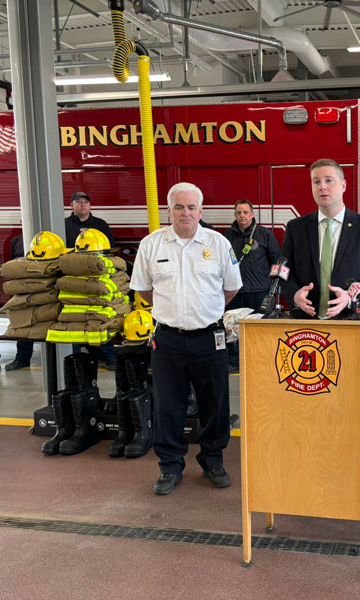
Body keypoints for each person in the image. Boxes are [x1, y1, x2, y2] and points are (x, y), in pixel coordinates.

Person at [130, 182, 242, 496]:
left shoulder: (218, 244)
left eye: (191, 207)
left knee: (215, 404)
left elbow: (231, 288)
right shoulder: (152, 245)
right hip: (168, 340)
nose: (186, 213)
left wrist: (207, 308)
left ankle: (213, 461)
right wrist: (174, 309)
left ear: (201, 211)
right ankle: (170, 466)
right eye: (179, 207)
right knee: (168, 405)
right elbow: (143, 288)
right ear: (169, 211)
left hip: (210, 338)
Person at [282, 158, 360, 318]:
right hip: (306, 323)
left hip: (350, 321)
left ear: (343, 185)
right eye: (316, 182)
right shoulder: (295, 228)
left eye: (329, 180)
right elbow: (284, 272)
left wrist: (351, 297)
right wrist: (294, 295)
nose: (322, 186)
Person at [223, 199, 280, 373]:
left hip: (259, 292)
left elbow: (278, 260)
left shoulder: (264, 235)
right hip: (234, 293)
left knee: (259, 329)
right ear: (235, 215)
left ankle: (260, 359)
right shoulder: (226, 238)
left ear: (253, 214)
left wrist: (275, 289)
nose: (242, 216)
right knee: (232, 329)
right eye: (239, 213)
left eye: (246, 212)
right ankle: (234, 361)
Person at [5, 234, 35, 370]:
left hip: (48, 287)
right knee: (23, 322)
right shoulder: (17, 240)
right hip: (24, 288)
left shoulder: (54, 238)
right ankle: (22, 358)